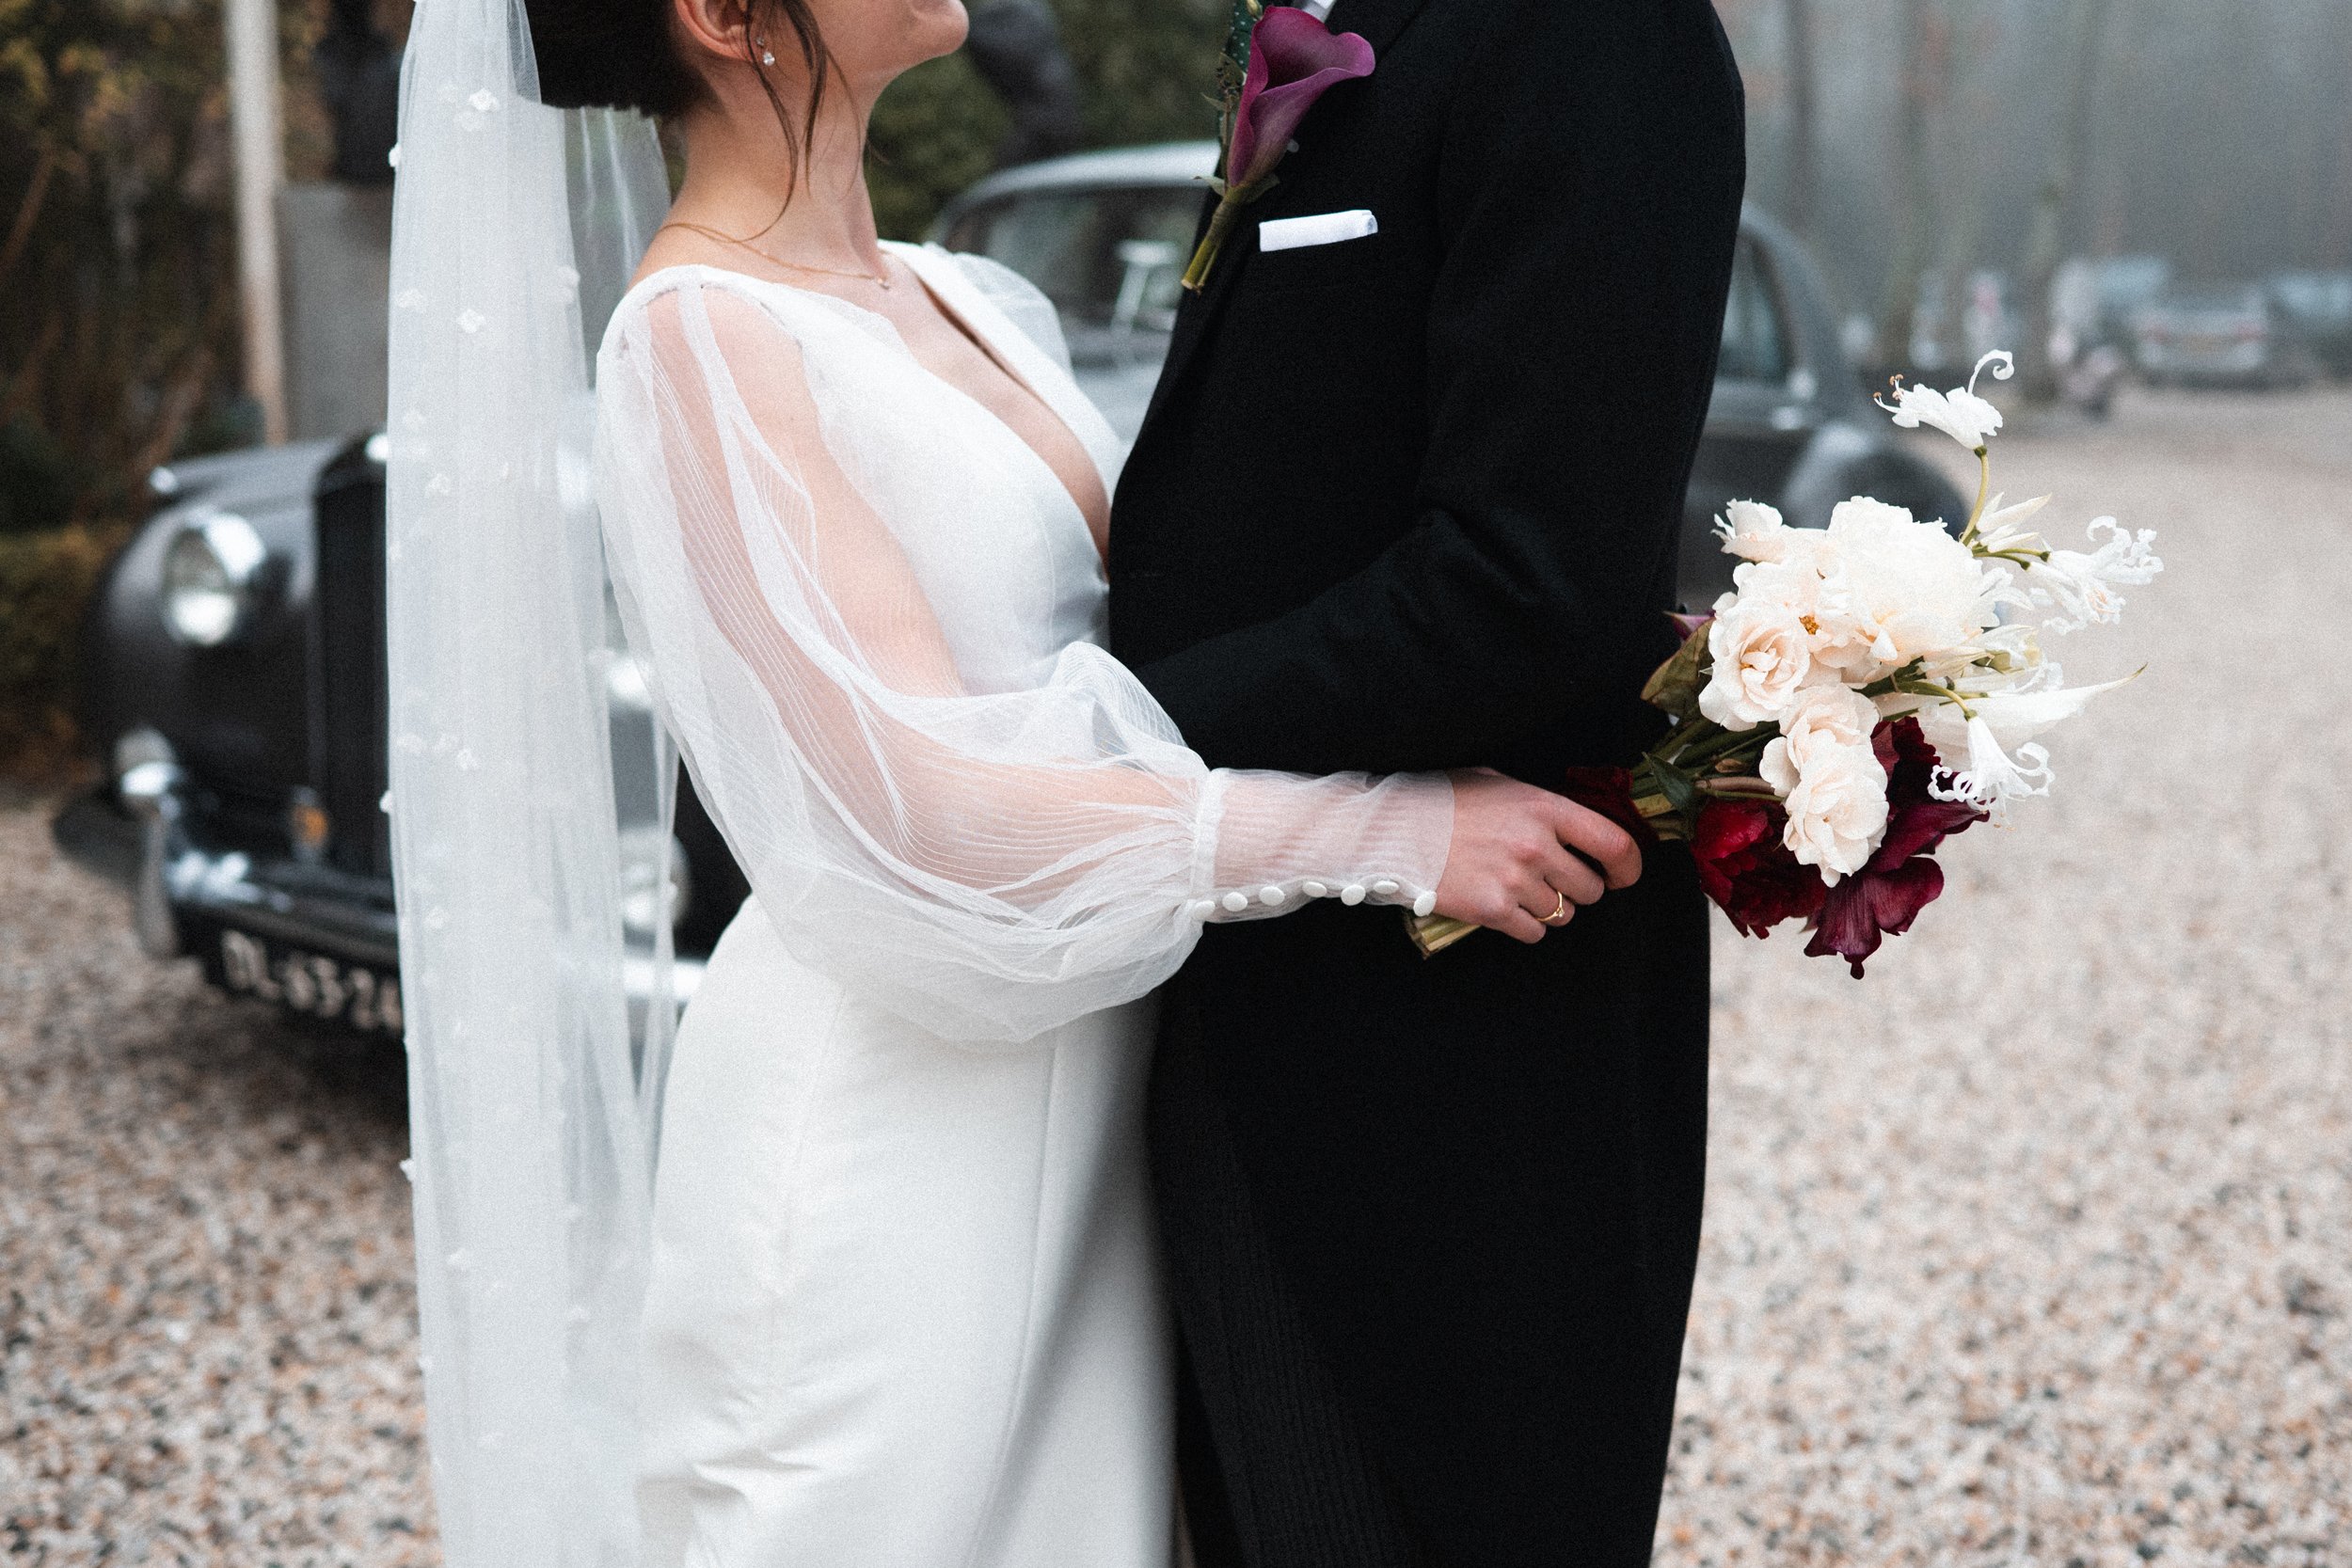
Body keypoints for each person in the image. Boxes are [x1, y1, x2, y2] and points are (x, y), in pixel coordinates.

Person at [383, 0, 1643, 1564]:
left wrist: (1630, 650)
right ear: (720, 17)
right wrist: (1384, 833)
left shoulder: (952, 293)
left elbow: (1154, 631)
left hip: (1091, 1072)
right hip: (889, 1110)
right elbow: (916, 807)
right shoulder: (699, 338)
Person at [1107, 2, 1747, 1563]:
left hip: (1439, 1081)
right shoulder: (1361, 24)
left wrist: (1109, 740)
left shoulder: (1601, 37)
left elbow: (1525, 582)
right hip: (1251, 987)